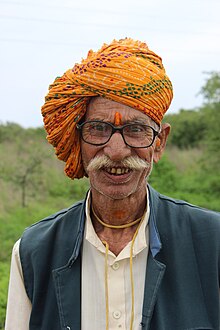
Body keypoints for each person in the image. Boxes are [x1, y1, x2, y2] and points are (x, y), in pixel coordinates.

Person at [5, 38, 220, 330]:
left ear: (159, 143)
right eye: (98, 128)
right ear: (77, 141)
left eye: (136, 130)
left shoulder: (212, 243)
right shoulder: (33, 253)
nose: (117, 150)